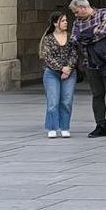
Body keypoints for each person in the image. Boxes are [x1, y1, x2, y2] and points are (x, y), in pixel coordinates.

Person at [69, 0, 106, 139]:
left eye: (76, 12)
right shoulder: (77, 22)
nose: (75, 15)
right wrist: (90, 34)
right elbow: (74, 39)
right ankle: (100, 125)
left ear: (83, 8)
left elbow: (104, 30)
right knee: (97, 94)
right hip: (91, 62)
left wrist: (85, 36)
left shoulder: (104, 13)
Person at [39, 11, 80, 139]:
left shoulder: (71, 37)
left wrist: (68, 68)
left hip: (69, 73)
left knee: (66, 101)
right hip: (51, 73)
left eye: (66, 20)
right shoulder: (48, 39)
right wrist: (61, 68)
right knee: (53, 101)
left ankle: (64, 127)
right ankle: (52, 127)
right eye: (63, 21)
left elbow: (74, 54)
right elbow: (47, 57)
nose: (66, 23)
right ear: (55, 23)